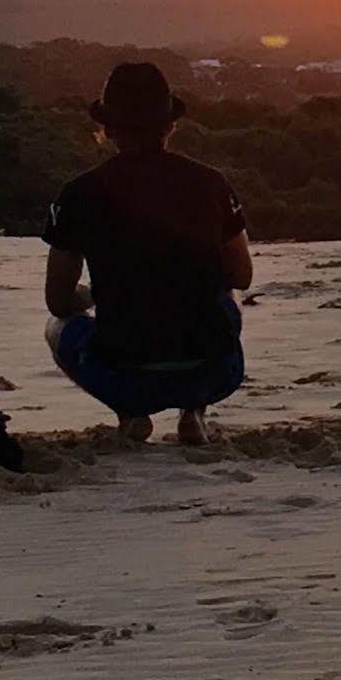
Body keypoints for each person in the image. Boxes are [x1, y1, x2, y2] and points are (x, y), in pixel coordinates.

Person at [43, 62, 253, 446]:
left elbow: (58, 300)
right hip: (214, 369)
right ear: (170, 125)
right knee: (227, 294)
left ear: (107, 130)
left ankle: (131, 412)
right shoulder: (211, 184)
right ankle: (194, 410)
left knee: (56, 328)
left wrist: (93, 295)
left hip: (122, 373)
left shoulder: (79, 194)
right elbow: (241, 275)